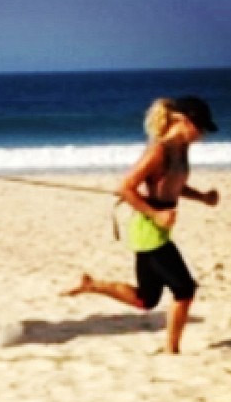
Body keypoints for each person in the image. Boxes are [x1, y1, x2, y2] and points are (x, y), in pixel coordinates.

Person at [63, 96, 219, 354]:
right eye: (199, 127)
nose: (201, 135)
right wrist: (155, 215)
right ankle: (172, 349)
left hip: (156, 227)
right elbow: (126, 188)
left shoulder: (182, 149)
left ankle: (92, 285)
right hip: (147, 227)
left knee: (146, 299)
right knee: (185, 289)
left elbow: (173, 185)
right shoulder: (159, 150)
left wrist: (201, 197)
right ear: (182, 120)